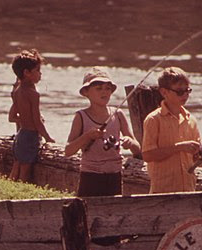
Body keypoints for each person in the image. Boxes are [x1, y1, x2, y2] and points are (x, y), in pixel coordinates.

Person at [65, 69, 141, 197]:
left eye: (107, 88)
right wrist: (87, 136)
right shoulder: (80, 116)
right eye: (99, 88)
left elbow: (137, 148)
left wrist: (130, 142)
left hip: (115, 175)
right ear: (86, 92)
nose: (104, 92)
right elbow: (68, 151)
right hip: (90, 176)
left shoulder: (118, 114)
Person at [142, 67, 202, 194]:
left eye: (187, 91)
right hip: (162, 192)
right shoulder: (153, 120)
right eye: (179, 91)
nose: (185, 95)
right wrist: (179, 147)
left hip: (188, 190)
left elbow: (195, 159)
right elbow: (147, 155)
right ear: (164, 92)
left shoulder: (191, 120)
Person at [9, 49, 55, 182]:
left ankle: (11, 188)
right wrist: (48, 138)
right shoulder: (33, 94)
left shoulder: (17, 91)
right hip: (30, 136)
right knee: (25, 172)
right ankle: (20, 197)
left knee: (16, 167)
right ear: (27, 73)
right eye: (38, 71)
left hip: (21, 135)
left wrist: (24, 119)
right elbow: (37, 121)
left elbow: (11, 117)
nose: (40, 74)